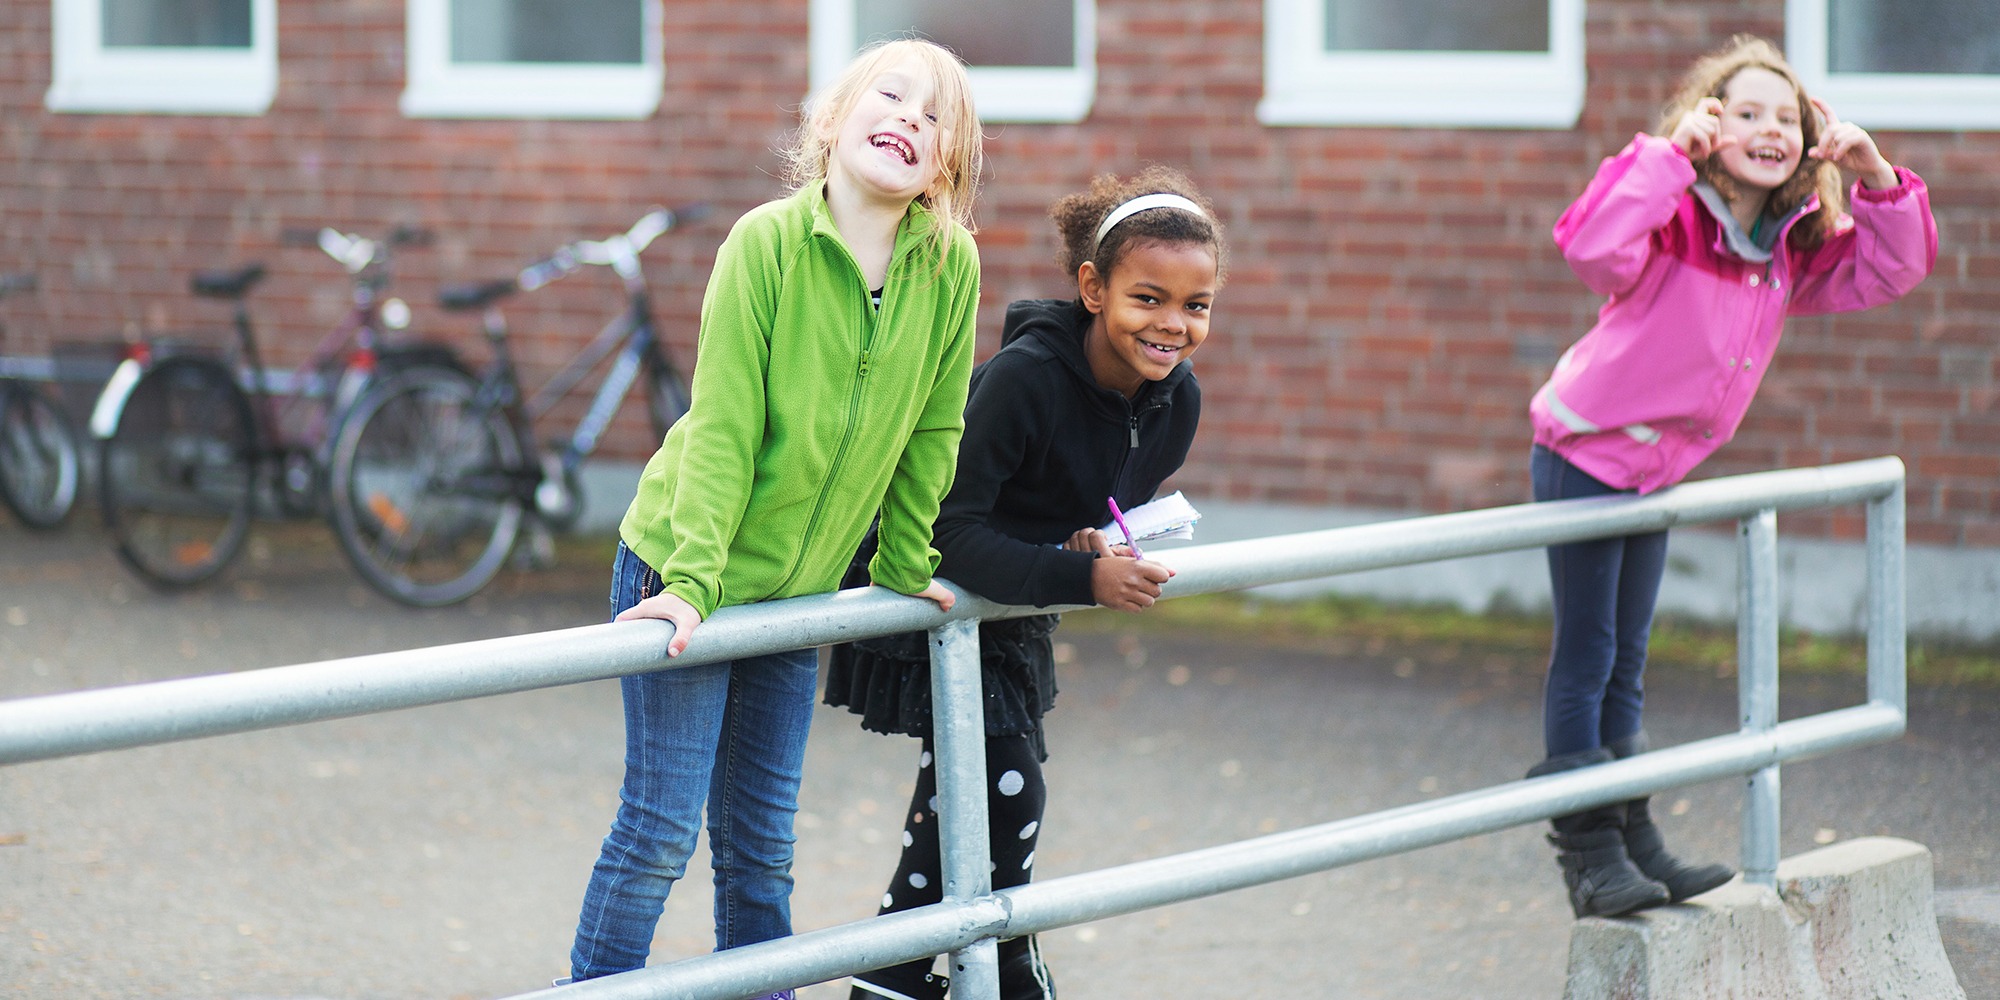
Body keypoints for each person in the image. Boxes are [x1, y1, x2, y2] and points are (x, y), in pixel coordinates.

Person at [564, 39, 985, 992]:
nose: (911, 120)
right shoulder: (766, 245)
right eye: (892, 96)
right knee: (662, 829)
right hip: (682, 569)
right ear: (832, 121)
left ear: (946, 168)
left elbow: (935, 422)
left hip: (796, 594)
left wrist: (902, 558)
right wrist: (692, 587)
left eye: (936, 119)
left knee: (759, 845)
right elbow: (720, 426)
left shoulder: (948, 267)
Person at [1525, 35, 1936, 918]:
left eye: (1786, 117)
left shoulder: (1788, 247)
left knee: (1628, 662)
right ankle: (1590, 856)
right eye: (1745, 112)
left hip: (1655, 469)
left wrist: (1874, 175)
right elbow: (1590, 244)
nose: (1767, 129)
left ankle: (1636, 839)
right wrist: (1668, 158)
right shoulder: (1671, 213)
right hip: (1585, 452)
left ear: (1810, 137)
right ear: (1710, 124)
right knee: (1589, 655)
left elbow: (1894, 267)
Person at [826, 166, 1226, 1000]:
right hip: (928, 591)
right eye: (1147, 298)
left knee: (968, 808)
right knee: (1004, 793)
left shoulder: (1174, 402)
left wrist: (1086, 544)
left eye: (1196, 306)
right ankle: (1004, 974)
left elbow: (1086, 507)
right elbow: (943, 531)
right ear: (1092, 287)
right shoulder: (1023, 381)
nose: (1173, 325)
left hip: (1014, 600)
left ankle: (898, 979)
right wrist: (1081, 574)